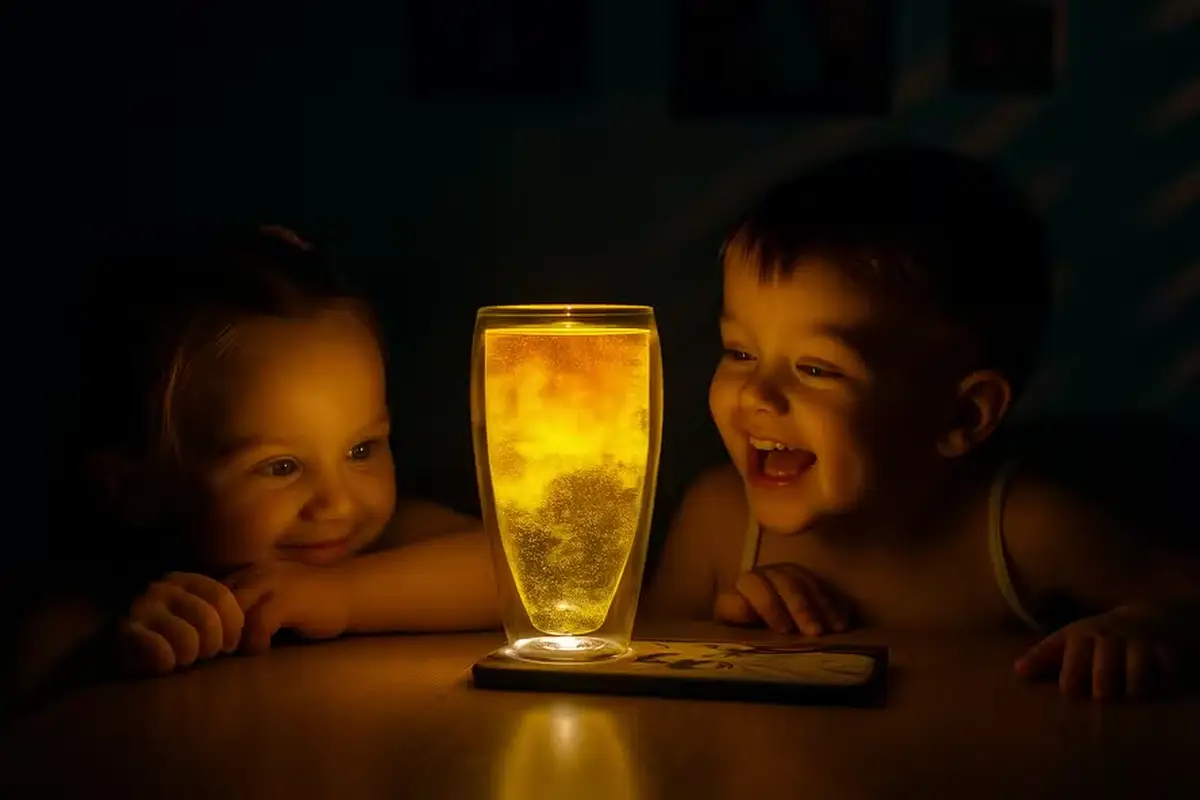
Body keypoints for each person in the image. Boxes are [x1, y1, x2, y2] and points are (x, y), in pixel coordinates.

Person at [642, 145, 1199, 700]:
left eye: (815, 367)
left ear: (963, 415)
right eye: (739, 352)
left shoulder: (1024, 530)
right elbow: (645, 675)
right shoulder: (717, 523)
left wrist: (1139, 631)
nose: (756, 393)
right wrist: (725, 628)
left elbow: (1186, 600)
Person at [10, 224, 499, 702]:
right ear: (134, 489)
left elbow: (513, 576)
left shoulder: (379, 546)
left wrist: (341, 596)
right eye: (281, 467)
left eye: (360, 450)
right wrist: (116, 656)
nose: (335, 503)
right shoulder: (100, 609)